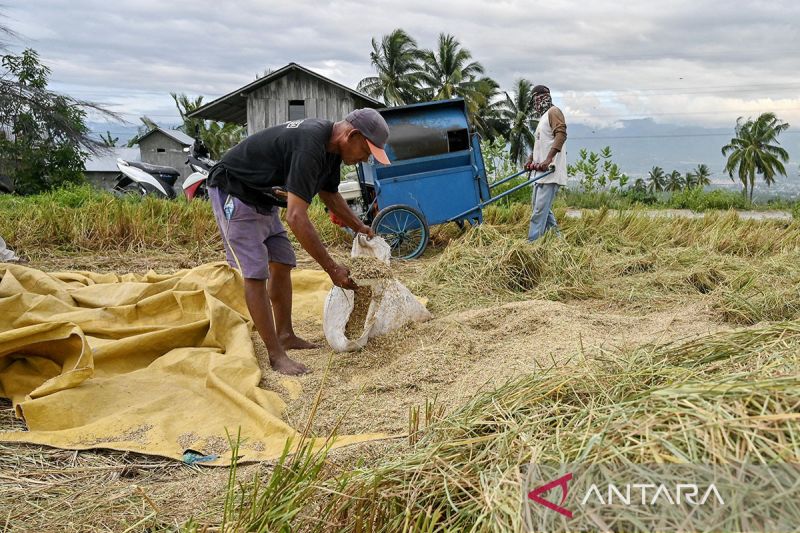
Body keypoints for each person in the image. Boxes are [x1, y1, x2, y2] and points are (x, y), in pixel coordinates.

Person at [207, 108, 391, 376]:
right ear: (352, 135)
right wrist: (331, 268)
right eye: (366, 150)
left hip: (263, 198)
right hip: (235, 193)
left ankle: (285, 335)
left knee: (281, 261)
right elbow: (296, 216)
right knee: (255, 274)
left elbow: (330, 195)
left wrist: (358, 226)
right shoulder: (310, 146)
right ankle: (276, 355)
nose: (365, 159)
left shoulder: (331, 151)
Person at [524, 85, 567, 241]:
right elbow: (540, 144)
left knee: (539, 212)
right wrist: (531, 159)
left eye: (537, 100)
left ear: (543, 98)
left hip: (550, 172)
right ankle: (558, 241)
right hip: (540, 174)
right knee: (542, 210)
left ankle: (531, 244)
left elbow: (561, 134)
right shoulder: (542, 119)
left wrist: (548, 159)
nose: (535, 105)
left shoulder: (553, 112)